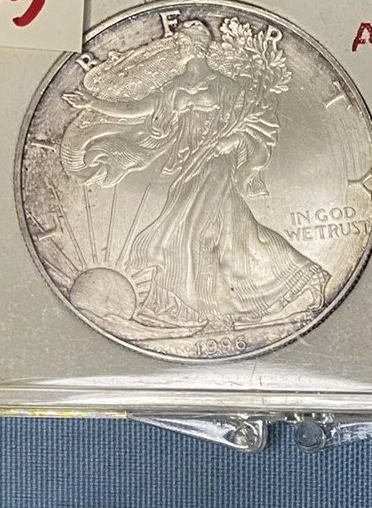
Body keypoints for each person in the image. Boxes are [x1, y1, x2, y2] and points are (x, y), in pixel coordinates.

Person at [59, 18, 328, 328]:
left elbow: (256, 122)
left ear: (193, 46)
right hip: (188, 169)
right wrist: (93, 103)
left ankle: (216, 314)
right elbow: (136, 109)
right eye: (180, 43)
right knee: (239, 236)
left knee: (197, 234)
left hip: (214, 165)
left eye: (182, 43)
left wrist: (233, 140)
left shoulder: (226, 86)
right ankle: (304, 278)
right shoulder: (173, 87)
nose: (179, 47)